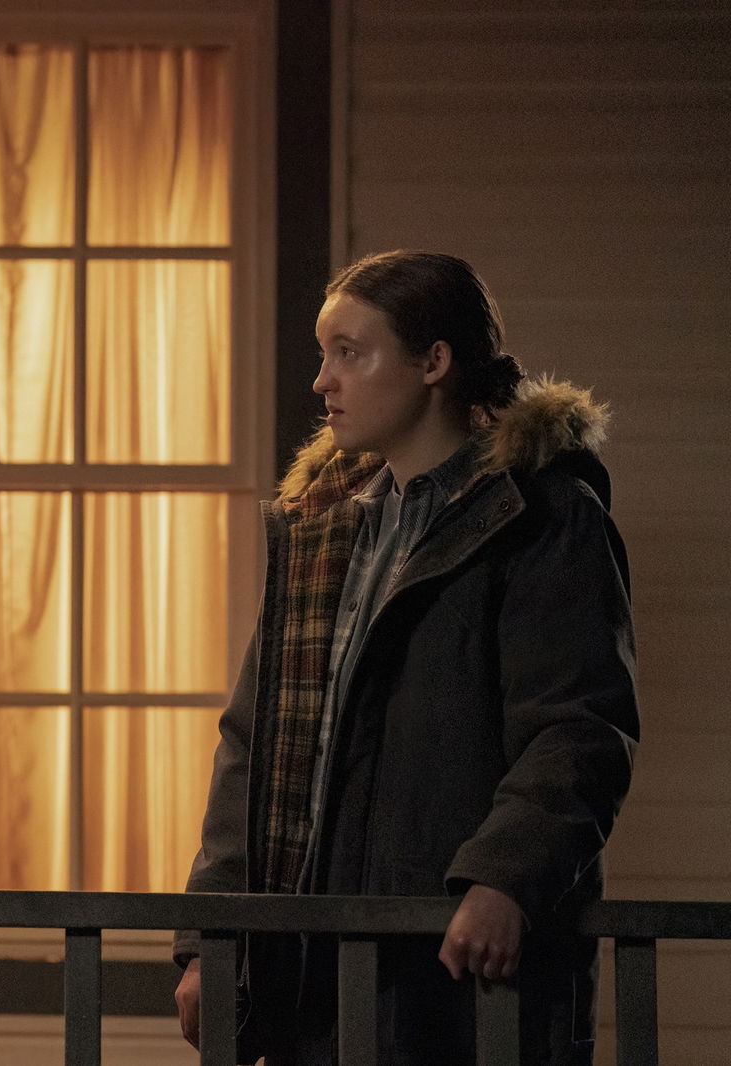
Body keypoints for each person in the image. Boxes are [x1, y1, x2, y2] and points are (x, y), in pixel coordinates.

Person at [173, 251, 638, 1065]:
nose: (322, 381)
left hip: (458, 977)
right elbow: (252, 748)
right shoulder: (321, 529)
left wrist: (503, 877)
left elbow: (578, 728)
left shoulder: (541, 517)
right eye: (324, 353)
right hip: (311, 981)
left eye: (349, 353)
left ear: (433, 362)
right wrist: (211, 940)